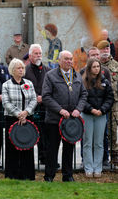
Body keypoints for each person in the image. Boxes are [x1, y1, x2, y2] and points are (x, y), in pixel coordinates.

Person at [42, 50, 87, 182]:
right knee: (52, 149)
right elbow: (46, 96)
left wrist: (78, 109)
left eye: (70, 59)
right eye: (66, 59)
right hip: (54, 120)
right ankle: (49, 176)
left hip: (71, 121)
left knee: (69, 149)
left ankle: (68, 175)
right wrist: (60, 110)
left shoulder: (77, 76)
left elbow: (83, 95)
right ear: (59, 61)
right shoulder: (50, 75)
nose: (69, 61)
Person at [2, 58, 37, 180]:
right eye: (19, 68)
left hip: (28, 118)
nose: (21, 70)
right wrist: (19, 114)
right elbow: (6, 103)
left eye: (22, 68)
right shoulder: (6, 85)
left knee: (27, 145)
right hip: (12, 119)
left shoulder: (29, 83)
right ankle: (13, 175)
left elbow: (33, 99)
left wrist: (26, 112)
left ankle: (27, 174)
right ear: (12, 70)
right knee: (12, 147)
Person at [81, 58, 114, 178]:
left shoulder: (105, 81)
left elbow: (110, 98)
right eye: (94, 67)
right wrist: (91, 109)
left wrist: (102, 110)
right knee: (87, 142)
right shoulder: (83, 81)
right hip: (87, 115)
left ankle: (97, 168)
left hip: (101, 115)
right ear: (89, 68)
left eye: (98, 66)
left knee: (99, 143)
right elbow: (81, 99)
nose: (96, 69)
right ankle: (88, 168)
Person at [24, 44, 51, 165]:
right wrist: (34, 97)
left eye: (40, 53)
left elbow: (51, 88)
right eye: (36, 53)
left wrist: (43, 98)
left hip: (44, 107)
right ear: (30, 56)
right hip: (30, 107)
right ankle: (27, 161)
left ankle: (44, 157)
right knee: (30, 133)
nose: (38, 55)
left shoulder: (48, 71)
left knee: (45, 134)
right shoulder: (25, 71)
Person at [97, 40, 118, 166]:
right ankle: (102, 157)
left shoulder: (116, 66)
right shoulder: (95, 66)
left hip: (115, 103)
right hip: (100, 103)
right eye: (102, 49)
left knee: (113, 130)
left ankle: (115, 158)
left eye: (107, 49)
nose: (105, 51)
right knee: (101, 131)